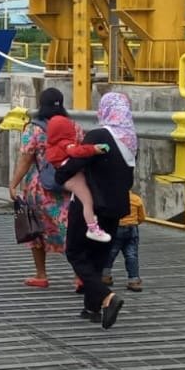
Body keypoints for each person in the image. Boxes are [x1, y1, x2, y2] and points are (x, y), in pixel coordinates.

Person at [60, 91, 137, 329]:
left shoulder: (99, 135)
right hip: (116, 206)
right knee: (98, 256)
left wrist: (59, 176)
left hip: (89, 204)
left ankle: (107, 296)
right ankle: (92, 308)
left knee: (75, 252)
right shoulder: (131, 139)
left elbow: (76, 162)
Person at [8, 87, 76, 288]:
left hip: (39, 187)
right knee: (69, 229)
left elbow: (26, 159)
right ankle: (81, 275)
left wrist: (13, 184)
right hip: (66, 185)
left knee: (36, 228)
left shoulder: (34, 129)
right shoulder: (73, 126)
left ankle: (41, 274)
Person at [44, 112, 113, 242]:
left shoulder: (52, 145)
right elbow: (76, 152)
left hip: (67, 178)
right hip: (74, 177)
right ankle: (92, 228)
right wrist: (94, 149)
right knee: (87, 201)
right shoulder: (65, 143)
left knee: (82, 199)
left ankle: (91, 220)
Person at [103, 191, 147, 291]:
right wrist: (134, 222)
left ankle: (105, 276)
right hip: (132, 229)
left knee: (110, 253)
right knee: (131, 255)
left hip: (116, 228)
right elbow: (141, 217)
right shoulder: (136, 199)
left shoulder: (111, 198)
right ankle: (134, 280)